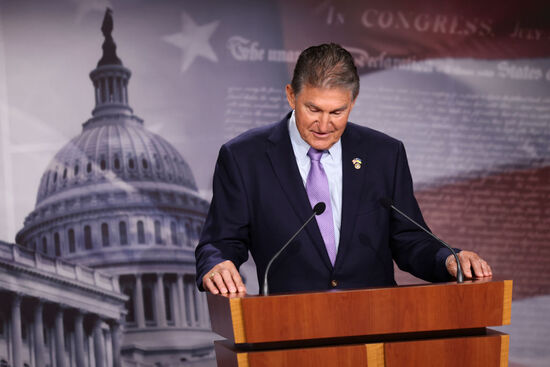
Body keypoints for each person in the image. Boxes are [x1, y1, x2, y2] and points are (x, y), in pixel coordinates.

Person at [195, 43, 492, 295]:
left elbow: (409, 238)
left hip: (375, 326)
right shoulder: (245, 157)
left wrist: (448, 259)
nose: (324, 125)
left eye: (337, 112)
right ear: (290, 95)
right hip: (286, 331)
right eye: (313, 109)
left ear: (353, 102)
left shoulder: (384, 154)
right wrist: (217, 264)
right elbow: (220, 241)